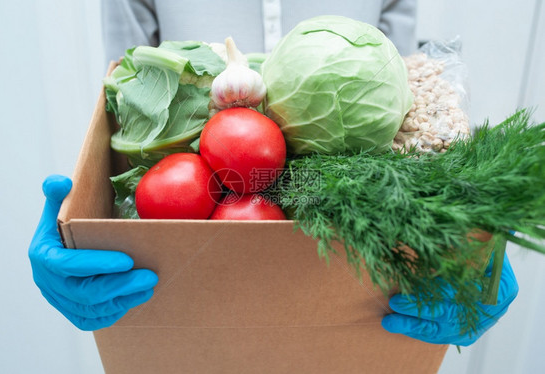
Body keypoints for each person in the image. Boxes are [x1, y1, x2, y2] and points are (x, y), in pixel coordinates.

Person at [29, 0, 518, 345]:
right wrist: (86, 216)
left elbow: (399, 83)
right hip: (193, 308)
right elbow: (123, 97)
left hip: (346, 312)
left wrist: (465, 232)